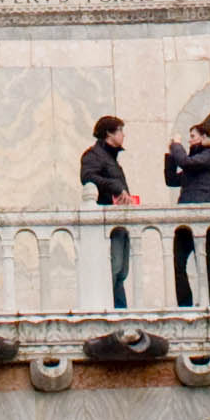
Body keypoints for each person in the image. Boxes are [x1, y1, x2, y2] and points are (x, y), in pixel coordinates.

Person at [163, 122, 210, 306]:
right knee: (179, 263)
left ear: (204, 137)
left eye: (193, 136)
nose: (189, 139)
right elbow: (171, 180)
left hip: (200, 212)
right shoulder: (197, 161)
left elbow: (185, 162)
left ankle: (207, 301)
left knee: (203, 260)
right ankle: (185, 303)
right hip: (186, 213)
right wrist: (170, 155)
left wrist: (176, 146)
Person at [81, 114, 140, 309]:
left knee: (121, 271)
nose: (123, 135)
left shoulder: (111, 158)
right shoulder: (93, 155)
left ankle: (120, 310)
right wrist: (114, 186)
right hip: (108, 223)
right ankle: (112, 310)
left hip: (120, 220)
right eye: (120, 131)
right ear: (109, 133)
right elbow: (87, 177)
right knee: (113, 268)